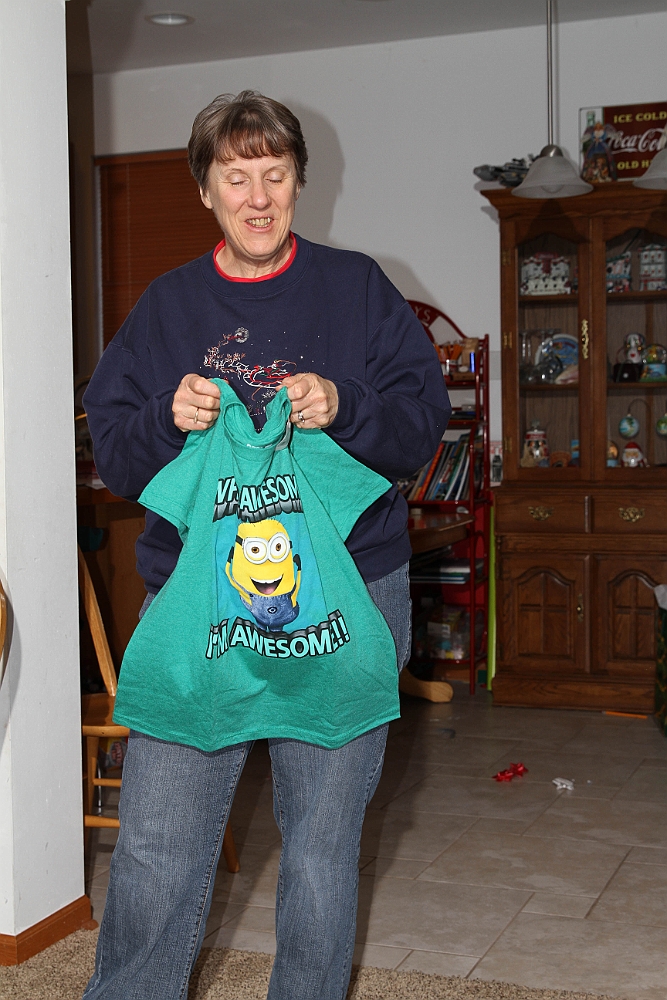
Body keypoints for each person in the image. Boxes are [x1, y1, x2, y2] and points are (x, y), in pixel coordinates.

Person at [82, 90, 450, 1000]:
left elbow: (419, 426)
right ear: (204, 189)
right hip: (196, 603)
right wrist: (165, 418)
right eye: (235, 177)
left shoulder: (357, 287)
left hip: (347, 595)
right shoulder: (166, 306)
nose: (257, 198)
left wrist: (347, 405)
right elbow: (116, 455)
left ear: (298, 182)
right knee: (158, 841)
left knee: (322, 848)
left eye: (274, 175)